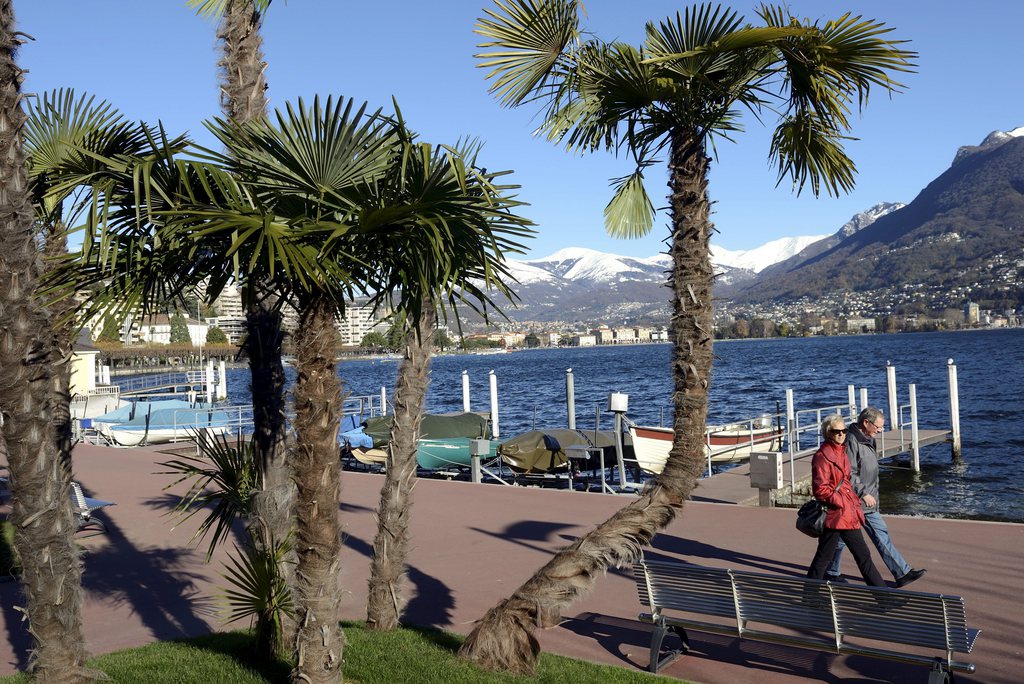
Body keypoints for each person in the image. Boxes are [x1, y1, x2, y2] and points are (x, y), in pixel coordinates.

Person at [825, 407, 927, 588]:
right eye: (878, 427)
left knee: (840, 539)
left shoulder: (868, 439)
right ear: (866, 423)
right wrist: (863, 493)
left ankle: (831, 571)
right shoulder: (852, 441)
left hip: (866, 497)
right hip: (858, 500)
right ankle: (902, 572)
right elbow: (848, 473)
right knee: (880, 534)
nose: (880, 431)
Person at [806, 414, 886, 587]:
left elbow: (847, 481)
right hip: (835, 514)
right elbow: (820, 489)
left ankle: (886, 598)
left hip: (847, 513)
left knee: (862, 556)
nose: (842, 434)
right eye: (837, 432)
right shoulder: (822, 456)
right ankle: (809, 597)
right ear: (828, 433)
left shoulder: (841, 452)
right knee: (824, 558)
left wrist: (852, 502)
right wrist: (843, 502)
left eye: (844, 430)